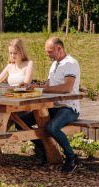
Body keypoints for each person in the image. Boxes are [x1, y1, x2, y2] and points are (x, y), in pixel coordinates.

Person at [17, 37, 81, 174]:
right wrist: (32, 87)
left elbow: (67, 88)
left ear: (59, 48)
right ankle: (46, 150)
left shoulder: (71, 63)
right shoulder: (54, 65)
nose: (47, 55)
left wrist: (42, 88)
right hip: (53, 106)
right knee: (20, 123)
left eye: (50, 51)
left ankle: (72, 157)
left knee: (52, 127)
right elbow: (48, 86)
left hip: (68, 108)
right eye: (47, 52)